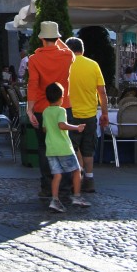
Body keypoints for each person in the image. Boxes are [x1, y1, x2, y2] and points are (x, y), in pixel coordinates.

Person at [26, 21, 75, 199]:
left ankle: (47, 187)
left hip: (41, 108)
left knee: (44, 148)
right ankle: (64, 188)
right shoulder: (66, 56)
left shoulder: (35, 59)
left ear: (40, 38)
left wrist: (30, 110)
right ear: (57, 38)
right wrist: (58, 39)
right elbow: (68, 50)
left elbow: (32, 84)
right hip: (63, 108)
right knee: (64, 147)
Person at [66, 37, 109, 193]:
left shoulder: (66, 65)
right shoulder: (93, 65)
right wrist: (104, 113)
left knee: (73, 147)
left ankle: (78, 177)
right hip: (90, 114)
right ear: (82, 50)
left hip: (72, 113)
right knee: (88, 148)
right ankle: (89, 180)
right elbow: (102, 92)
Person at [42, 81, 90, 214]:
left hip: (51, 149)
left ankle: (55, 200)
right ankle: (77, 196)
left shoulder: (46, 112)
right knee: (76, 171)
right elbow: (62, 125)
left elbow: (45, 129)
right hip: (64, 147)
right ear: (61, 98)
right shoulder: (61, 110)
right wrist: (77, 127)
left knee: (57, 175)